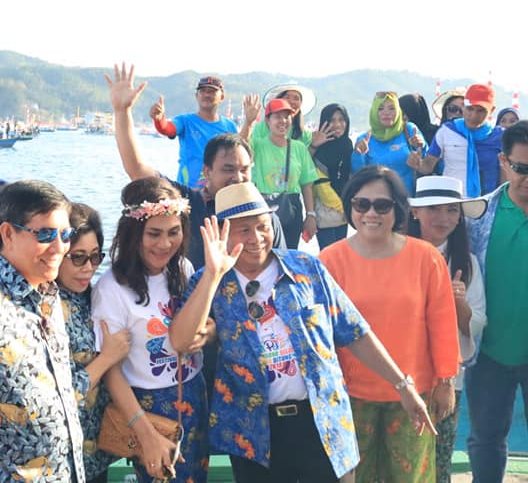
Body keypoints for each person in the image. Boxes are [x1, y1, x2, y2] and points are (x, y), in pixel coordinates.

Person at [170, 182, 435, 482]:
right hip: (253, 431)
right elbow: (180, 341)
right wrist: (213, 275)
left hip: (321, 421)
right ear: (223, 233)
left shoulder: (307, 268)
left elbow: (355, 331)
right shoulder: (209, 282)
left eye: (262, 226)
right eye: (244, 230)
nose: (257, 238)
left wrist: (403, 386)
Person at [320, 165, 460, 483]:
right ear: (350, 207)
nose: (371, 213)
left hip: (415, 394)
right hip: (351, 396)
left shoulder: (426, 258)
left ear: (398, 210)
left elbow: (441, 323)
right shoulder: (328, 260)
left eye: (382, 205)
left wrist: (446, 381)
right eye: (361, 204)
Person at [0, 180, 86, 482]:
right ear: (7, 233)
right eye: (44, 234)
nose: (59, 248)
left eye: (65, 235)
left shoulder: (49, 296)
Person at [107, 62, 287, 266]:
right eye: (228, 169)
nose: (238, 177)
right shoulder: (188, 205)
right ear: (207, 171)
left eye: (244, 169)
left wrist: (248, 124)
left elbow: (280, 268)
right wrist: (122, 111)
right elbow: (138, 170)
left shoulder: (266, 217)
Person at [91, 177, 210, 482]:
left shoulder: (182, 268)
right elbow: (112, 372)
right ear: (133, 235)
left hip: (194, 391)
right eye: (153, 234)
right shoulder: (111, 289)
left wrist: (209, 332)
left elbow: (197, 323)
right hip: (148, 405)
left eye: (174, 232)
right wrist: (144, 432)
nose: (165, 244)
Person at [407, 175, 488, 483]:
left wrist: (459, 304)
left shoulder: (465, 263)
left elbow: (476, 324)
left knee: (439, 462)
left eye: (452, 210)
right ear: (416, 212)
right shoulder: (395, 253)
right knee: (398, 461)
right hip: (400, 378)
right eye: (434, 209)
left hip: (445, 381)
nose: (444, 218)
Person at [464, 120, 528, 483]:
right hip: (489, 353)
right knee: (486, 441)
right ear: (504, 161)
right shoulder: (478, 215)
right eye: (522, 168)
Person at [58, 203, 131, 483]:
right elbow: (58, 395)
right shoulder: (45, 308)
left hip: (96, 446)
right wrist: (107, 358)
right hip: (59, 451)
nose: (88, 268)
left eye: (95, 257)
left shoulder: (98, 296)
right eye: (77, 258)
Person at [411, 84, 505, 198]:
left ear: (492, 110)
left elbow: (504, 179)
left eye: (481, 111)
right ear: (464, 106)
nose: (474, 115)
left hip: (487, 203)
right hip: (452, 201)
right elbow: (428, 166)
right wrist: (418, 163)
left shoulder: (500, 136)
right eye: (470, 109)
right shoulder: (447, 130)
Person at [250, 98, 319, 249]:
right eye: (277, 117)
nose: (283, 121)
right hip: (264, 207)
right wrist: (248, 122)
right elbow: (239, 148)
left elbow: (307, 185)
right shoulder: (258, 145)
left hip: (292, 208)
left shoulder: (299, 148)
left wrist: (311, 215)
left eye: (286, 116)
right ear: (268, 120)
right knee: (265, 256)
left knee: (289, 258)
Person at [149, 73, 237, 188]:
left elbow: (237, 158)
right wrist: (159, 119)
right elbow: (168, 129)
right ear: (197, 96)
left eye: (212, 91)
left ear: (222, 97)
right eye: (202, 91)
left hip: (219, 192)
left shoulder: (230, 126)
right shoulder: (185, 121)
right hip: (187, 191)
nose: (206, 95)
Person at [351, 91, 427, 196]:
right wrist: (358, 154)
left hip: (408, 203)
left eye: (392, 108)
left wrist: (421, 146)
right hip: (379, 203)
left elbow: (426, 162)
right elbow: (358, 175)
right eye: (380, 108)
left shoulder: (409, 130)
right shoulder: (364, 139)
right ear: (373, 112)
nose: (386, 113)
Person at [311, 103, 352, 248]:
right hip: (327, 212)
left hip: (343, 213)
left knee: (341, 257)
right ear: (324, 122)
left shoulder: (347, 144)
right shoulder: (321, 149)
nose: (337, 124)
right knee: (328, 257)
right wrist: (343, 208)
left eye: (341, 119)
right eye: (332, 120)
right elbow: (322, 186)